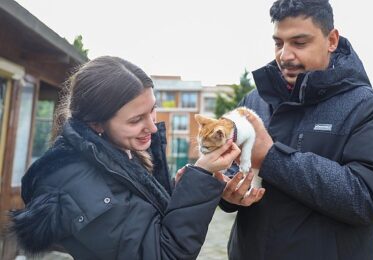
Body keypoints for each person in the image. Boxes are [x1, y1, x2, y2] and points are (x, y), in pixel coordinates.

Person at [219, 0, 373, 259]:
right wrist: (227, 192)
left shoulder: (368, 108)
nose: (285, 55)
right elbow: (230, 171)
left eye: (299, 43)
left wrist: (272, 159)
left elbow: (368, 199)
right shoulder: (253, 102)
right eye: (278, 43)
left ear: (332, 40)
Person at [10, 56, 241, 259]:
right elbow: (164, 254)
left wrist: (182, 190)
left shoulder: (122, 151)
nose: (152, 127)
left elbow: (142, 219)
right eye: (135, 120)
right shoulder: (77, 186)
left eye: (153, 109)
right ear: (96, 123)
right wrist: (200, 175)